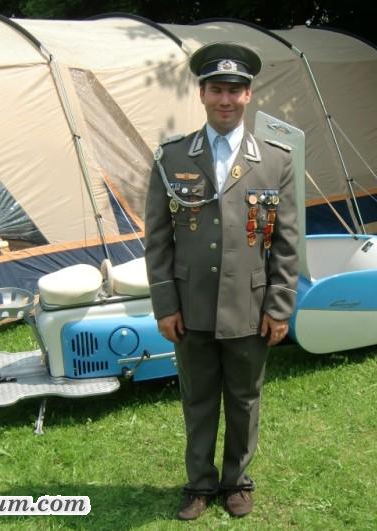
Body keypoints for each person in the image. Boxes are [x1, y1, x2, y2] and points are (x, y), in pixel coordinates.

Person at [144, 42, 298, 520]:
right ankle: (199, 483)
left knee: (245, 399)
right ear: (202, 94)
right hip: (191, 304)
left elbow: (286, 241)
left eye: (235, 90)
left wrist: (279, 307)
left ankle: (236, 481)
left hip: (249, 305)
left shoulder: (275, 160)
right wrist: (165, 305)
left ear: (249, 95)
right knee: (198, 398)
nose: (225, 100)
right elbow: (158, 240)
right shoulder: (171, 157)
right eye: (216, 90)